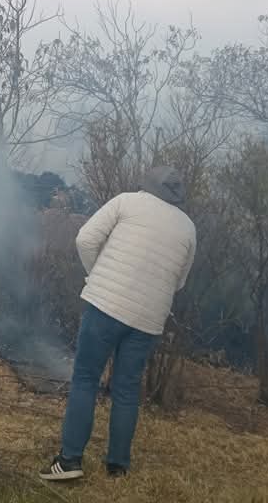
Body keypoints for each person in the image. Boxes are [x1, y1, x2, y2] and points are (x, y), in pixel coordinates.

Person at [40, 166, 196, 481]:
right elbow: (179, 282)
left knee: (85, 378)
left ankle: (69, 462)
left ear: (146, 184)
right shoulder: (188, 228)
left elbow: (85, 239)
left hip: (105, 306)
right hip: (148, 319)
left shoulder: (127, 201)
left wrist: (98, 275)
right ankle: (118, 467)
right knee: (126, 389)